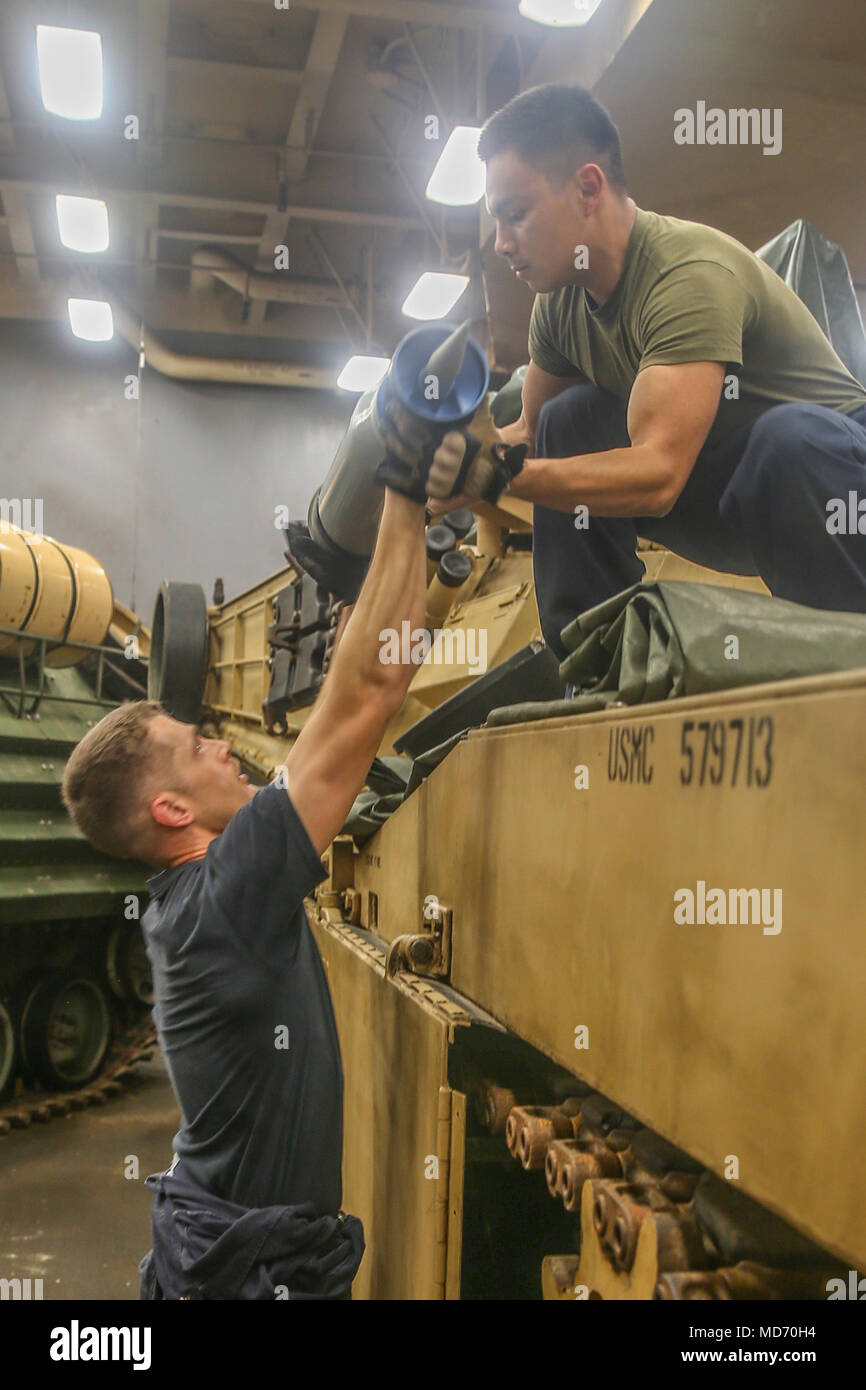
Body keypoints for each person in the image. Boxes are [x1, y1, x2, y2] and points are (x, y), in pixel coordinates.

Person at [60, 421, 471, 1300]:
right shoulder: (227, 895)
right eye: (197, 744)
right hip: (254, 1271)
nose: (220, 746)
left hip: (228, 1243)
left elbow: (352, 693)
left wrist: (371, 585)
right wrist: (404, 484)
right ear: (172, 810)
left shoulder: (197, 898)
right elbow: (372, 691)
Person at [429, 84, 866, 663]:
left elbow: (658, 475)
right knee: (568, 420)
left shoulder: (687, 275)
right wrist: (448, 465)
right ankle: (595, 663)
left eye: (518, 215)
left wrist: (501, 478)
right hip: (731, 491)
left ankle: (844, 665)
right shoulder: (558, 305)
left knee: (782, 443)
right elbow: (529, 440)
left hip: (830, 488)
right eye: (497, 222)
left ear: (588, 188)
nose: (504, 244)